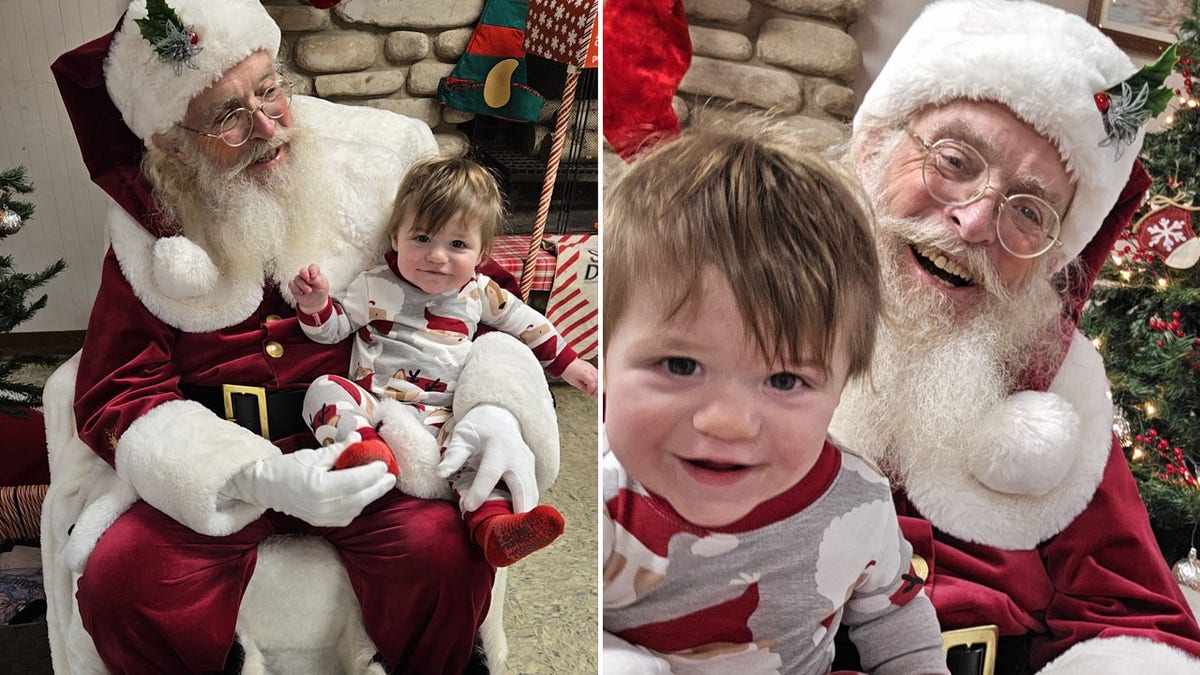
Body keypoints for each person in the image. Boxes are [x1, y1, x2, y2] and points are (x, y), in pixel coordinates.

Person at [47, 0, 560, 672]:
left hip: (364, 435)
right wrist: (251, 474)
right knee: (121, 584)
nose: (265, 125)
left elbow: (480, 291)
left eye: (268, 91)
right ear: (172, 140)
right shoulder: (148, 232)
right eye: (228, 114)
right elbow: (118, 388)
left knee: (445, 553)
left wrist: (492, 405)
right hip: (225, 463)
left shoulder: (373, 171)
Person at [828, 0, 1200, 672]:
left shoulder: (1056, 383)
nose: (974, 221)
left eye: (1028, 210)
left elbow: (1142, 624)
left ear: (1056, 254)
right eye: (954, 159)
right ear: (873, 146)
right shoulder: (749, 307)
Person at [601, 118, 950, 674]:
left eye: (786, 380)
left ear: (841, 389)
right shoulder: (603, 502)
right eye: (680, 364)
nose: (729, 422)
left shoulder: (858, 504)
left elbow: (893, 619)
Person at [289, 155, 598, 568]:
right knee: (323, 389)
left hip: (443, 417)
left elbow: (530, 325)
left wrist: (570, 365)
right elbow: (331, 329)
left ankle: (494, 527)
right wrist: (315, 303)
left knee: (481, 454)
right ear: (395, 238)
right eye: (421, 238)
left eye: (457, 245)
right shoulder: (374, 284)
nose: (436, 256)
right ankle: (362, 453)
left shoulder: (479, 292)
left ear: (481, 253)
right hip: (376, 407)